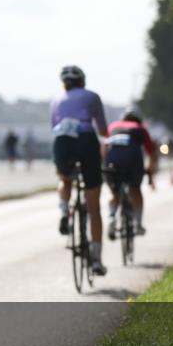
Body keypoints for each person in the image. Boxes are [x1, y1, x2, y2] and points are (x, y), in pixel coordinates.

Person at [50, 65, 109, 275]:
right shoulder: (92, 96)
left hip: (62, 140)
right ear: (82, 81)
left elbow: (53, 127)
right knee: (94, 208)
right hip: (85, 139)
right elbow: (102, 129)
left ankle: (64, 209)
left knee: (64, 179)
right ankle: (96, 261)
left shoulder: (56, 100)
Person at [104, 108, 158, 238]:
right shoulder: (140, 127)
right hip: (132, 159)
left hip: (112, 159)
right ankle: (138, 224)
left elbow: (104, 148)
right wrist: (149, 171)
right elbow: (152, 154)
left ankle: (111, 217)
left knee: (114, 192)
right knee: (135, 190)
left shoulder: (112, 126)